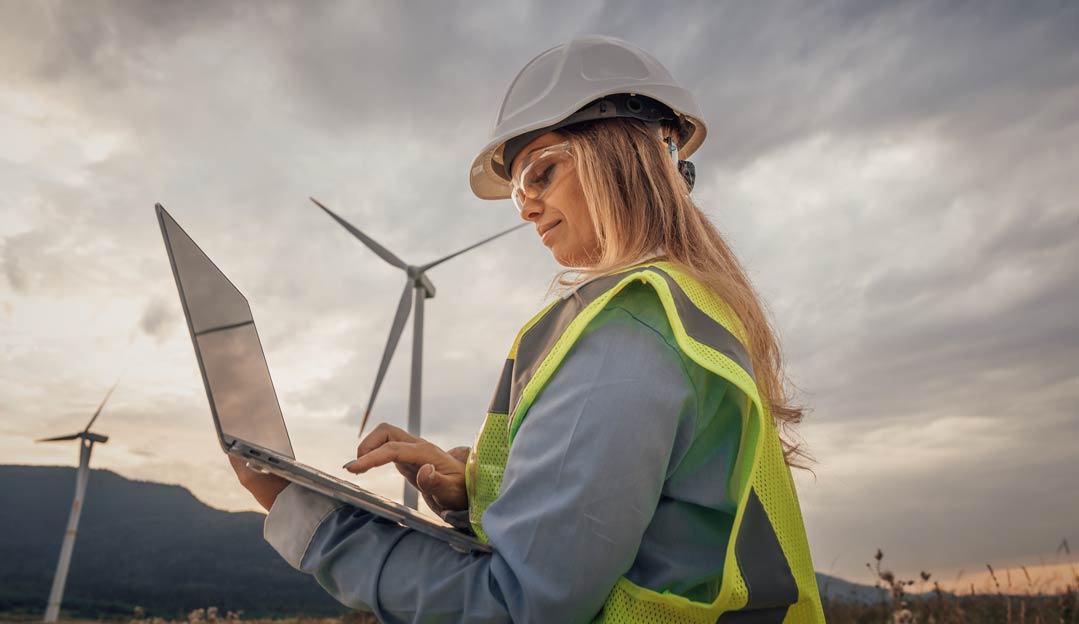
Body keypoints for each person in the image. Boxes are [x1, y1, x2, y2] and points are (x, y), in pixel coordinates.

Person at [230, 35, 826, 623]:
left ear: (625, 153)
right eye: (517, 190)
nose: (525, 207)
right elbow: (660, 535)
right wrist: (476, 495)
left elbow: (519, 607)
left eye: (541, 172)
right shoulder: (693, 313)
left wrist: (306, 518)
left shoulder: (629, 328)